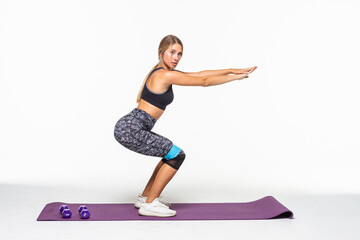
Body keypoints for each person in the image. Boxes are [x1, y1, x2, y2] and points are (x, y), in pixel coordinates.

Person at [113, 34, 257, 217]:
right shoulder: (164, 75)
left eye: (180, 54)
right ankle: (150, 204)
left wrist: (232, 71)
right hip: (131, 129)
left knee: (168, 153)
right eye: (172, 52)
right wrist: (234, 77)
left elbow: (199, 74)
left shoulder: (161, 71)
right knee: (176, 155)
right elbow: (203, 82)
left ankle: (146, 197)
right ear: (161, 52)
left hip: (131, 126)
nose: (176, 58)